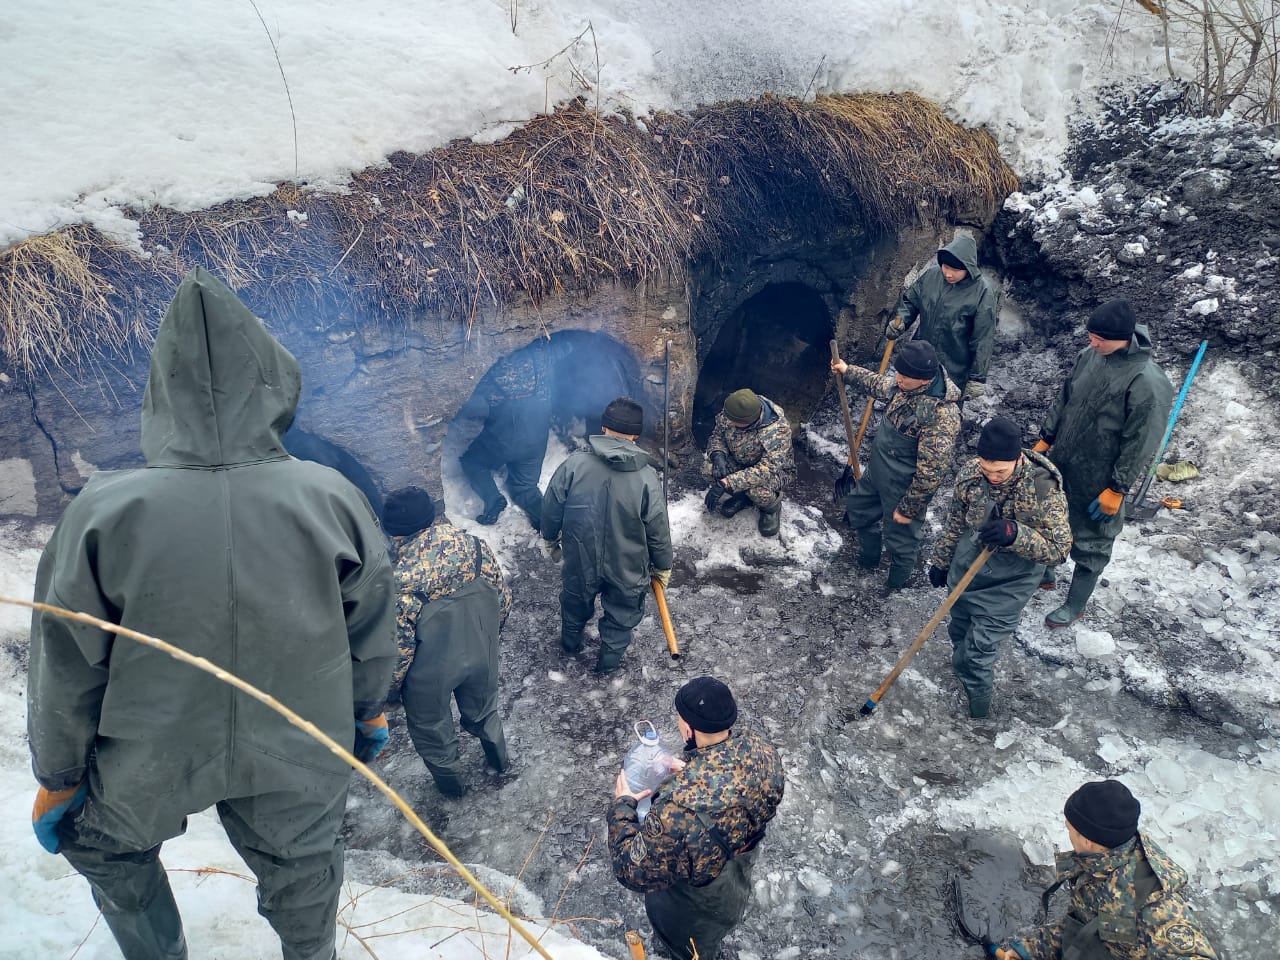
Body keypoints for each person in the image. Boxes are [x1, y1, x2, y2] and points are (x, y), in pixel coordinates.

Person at [27, 267, 396, 960]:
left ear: (162, 395)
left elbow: (66, 659)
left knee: (104, 846)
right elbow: (373, 617)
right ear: (271, 379)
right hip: (297, 732)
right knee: (307, 865)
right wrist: (369, 710)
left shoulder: (103, 510)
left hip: (152, 745)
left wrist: (60, 775)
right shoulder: (330, 494)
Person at [607, 677, 785, 960]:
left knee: (686, 952)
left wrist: (622, 807)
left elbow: (632, 871)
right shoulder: (763, 752)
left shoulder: (676, 810)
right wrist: (692, 770)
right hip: (735, 885)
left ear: (688, 728)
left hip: (693, 909)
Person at [1035, 300, 1174, 628]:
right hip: (1064, 462)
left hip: (1101, 474)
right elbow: (1064, 398)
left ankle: (1075, 604)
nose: (1093, 343)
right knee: (1048, 514)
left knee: (1093, 539)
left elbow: (1141, 442)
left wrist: (1117, 488)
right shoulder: (1090, 357)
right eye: (1091, 336)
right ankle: (1045, 570)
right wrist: (1046, 438)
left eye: (1100, 339)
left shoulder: (1147, 382)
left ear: (1123, 338)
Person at [927, 417, 1071, 718]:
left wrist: (1016, 534)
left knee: (979, 654)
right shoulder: (969, 475)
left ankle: (977, 718)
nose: (992, 476)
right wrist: (941, 560)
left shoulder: (1043, 489)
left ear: (1018, 459)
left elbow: (1059, 551)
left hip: (1010, 582)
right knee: (960, 629)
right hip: (969, 568)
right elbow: (955, 522)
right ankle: (960, 671)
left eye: (1000, 471)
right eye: (986, 469)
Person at [383, 487, 512, 798]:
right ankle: (501, 766)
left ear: (396, 535)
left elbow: (398, 651)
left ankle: (455, 794)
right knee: (484, 713)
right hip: (482, 651)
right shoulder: (475, 547)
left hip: (429, 675)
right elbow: (503, 600)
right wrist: (488, 639)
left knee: (433, 735)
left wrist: (389, 692)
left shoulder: (397, 579)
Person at [996, 780, 1218, 960]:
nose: (1068, 835)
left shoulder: (1156, 910)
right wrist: (1028, 951)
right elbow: (1084, 926)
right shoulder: (1099, 868)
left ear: (1088, 840)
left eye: (1069, 829)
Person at [540, 397, 673, 674]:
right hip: (628, 564)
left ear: (603, 428)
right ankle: (607, 667)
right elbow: (658, 528)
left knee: (575, 602)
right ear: (636, 435)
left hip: (580, 556)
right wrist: (662, 565)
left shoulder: (574, 465)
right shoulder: (647, 478)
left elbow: (552, 506)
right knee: (622, 616)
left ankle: (569, 646)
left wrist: (550, 539)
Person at [831, 339, 961, 592]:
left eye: (905, 376)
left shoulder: (941, 415)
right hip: (878, 472)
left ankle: (895, 586)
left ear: (925, 379)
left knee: (901, 540)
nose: (898, 379)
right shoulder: (905, 385)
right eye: (898, 373)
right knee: (858, 509)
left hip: (903, 486)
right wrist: (848, 371)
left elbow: (931, 473)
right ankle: (868, 561)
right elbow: (880, 384)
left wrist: (909, 508)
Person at [458, 338, 562, 528]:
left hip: (505, 436)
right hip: (537, 435)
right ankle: (549, 522)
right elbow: (562, 350)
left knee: (472, 461)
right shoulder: (542, 355)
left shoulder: (498, 363)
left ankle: (492, 498)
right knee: (525, 487)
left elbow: (474, 394)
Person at [886, 234, 999, 400]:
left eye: (955, 270)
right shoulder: (932, 276)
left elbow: (983, 338)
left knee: (942, 408)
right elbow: (911, 300)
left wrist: (977, 377)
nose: (949, 274)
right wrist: (901, 321)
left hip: (954, 363)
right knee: (909, 399)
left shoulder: (982, 292)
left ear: (968, 268)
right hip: (920, 355)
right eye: (946, 267)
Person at [704, 388, 794, 538]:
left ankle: (771, 508)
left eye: (734, 422)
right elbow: (717, 436)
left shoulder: (778, 430)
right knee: (708, 469)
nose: (729, 423)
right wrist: (718, 455)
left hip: (774, 472)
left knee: (757, 491)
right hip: (741, 461)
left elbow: (765, 470)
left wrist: (728, 482)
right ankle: (743, 496)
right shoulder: (733, 410)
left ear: (748, 421)